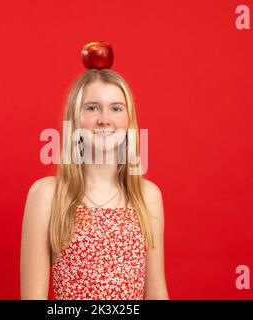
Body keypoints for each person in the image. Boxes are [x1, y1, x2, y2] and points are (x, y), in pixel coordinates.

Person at [20, 45, 168, 300]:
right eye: (92, 108)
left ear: (129, 120)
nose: (104, 119)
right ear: (75, 119)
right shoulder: (47, 195)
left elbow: (156, 294)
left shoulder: (148, 196)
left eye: (116, 108)